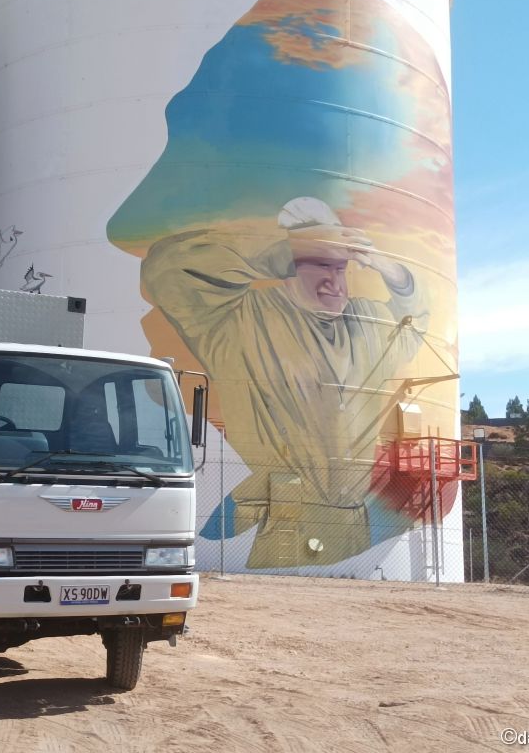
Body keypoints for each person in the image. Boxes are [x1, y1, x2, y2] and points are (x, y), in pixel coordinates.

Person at [141, 197, 428, 568]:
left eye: (341, 268)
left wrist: (395, 274)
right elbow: (166, 267)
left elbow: (415, 325)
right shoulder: (237, 320)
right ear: (286, 266)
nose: (334, 284)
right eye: (318, 266)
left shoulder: (366, 323)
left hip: (352, 529)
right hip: (282, 526)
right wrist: (287, 249)